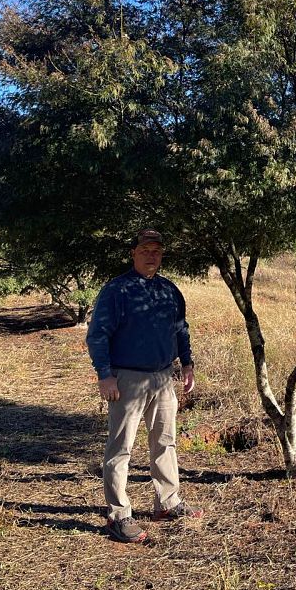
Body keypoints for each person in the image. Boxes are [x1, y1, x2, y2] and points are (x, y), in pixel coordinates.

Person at [86, 228, 202, 543]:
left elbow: (181, 329)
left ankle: (167, 503)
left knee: (165, 442)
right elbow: (98, 334)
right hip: (126, 379)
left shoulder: (169, 290)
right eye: (145, 249)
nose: (151, 255)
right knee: (120, 447)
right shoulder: (117, 290)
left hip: (163, 376)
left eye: (156, 250)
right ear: (134, 253)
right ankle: (118, 515)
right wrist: (105, 374)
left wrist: (187, 363)